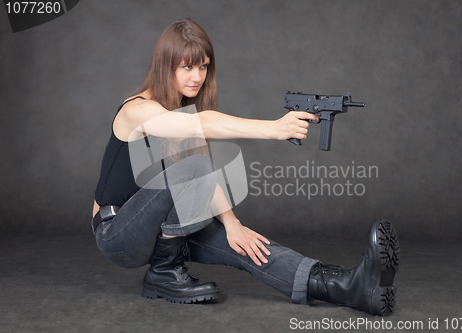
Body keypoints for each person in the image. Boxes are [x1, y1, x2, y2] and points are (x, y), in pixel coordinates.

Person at [92, 18, 400, 316]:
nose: (197, 76)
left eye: (203, 65)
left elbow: (198, 177)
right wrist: (274, 129)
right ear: (165, 65)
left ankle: (347, 286)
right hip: (119, 235)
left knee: (247, 245)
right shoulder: (137, 110)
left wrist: (232, 224)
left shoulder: (179, 110)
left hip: (163, 231)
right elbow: (199, 134)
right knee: (193, 167)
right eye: (187, 66)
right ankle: (164, 272)